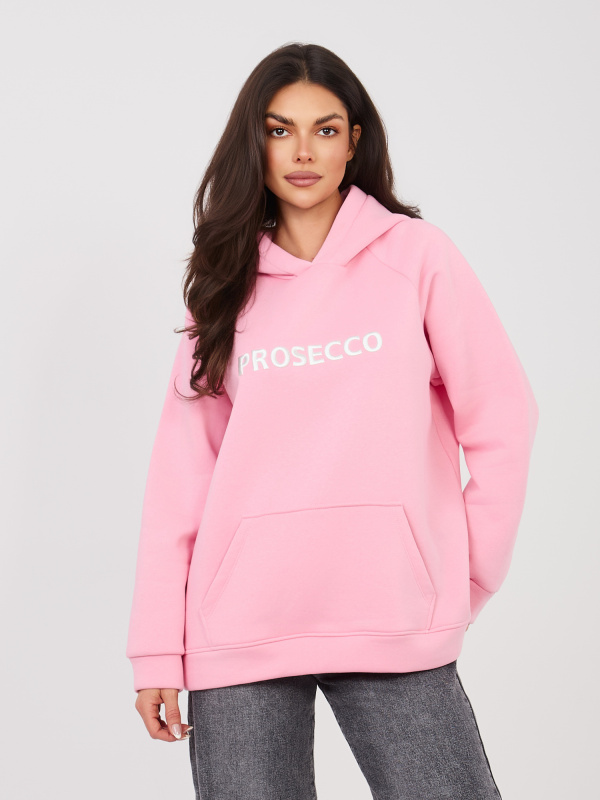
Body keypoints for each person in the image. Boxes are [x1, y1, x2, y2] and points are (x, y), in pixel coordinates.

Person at [126, 42, 539, 799]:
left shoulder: (417, 258)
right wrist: (157, 647)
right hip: (239, 625)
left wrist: (464, 573)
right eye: (279, 130)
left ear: (354, 142)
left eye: (325, 128)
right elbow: (181, 477)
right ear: (254, 144)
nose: (303, 151)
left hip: (393, 611)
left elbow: (503, 418)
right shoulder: (223, 283)